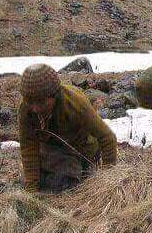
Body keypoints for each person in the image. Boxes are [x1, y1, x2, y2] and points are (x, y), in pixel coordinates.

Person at [18, 64, 117, 192]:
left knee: (65, 181)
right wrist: (31, 190)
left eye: (41, 102)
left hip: (80, 150)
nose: (35, 108)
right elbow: (29, 147)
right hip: (52, 151)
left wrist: (108, 180)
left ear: (54, 95)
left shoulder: (75, 103)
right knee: (28, 178)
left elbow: (107, 137)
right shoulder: (26, 109)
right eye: (30, 102)